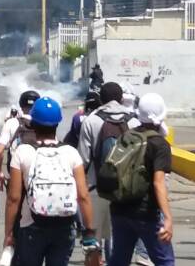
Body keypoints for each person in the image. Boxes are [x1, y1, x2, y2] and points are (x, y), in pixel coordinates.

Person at [5, 97, 98, 266]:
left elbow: (13, 198)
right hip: (64, 226)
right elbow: (83, 196)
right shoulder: (70, 152)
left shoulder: (22, 152)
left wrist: (9, 234)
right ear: (57, 123)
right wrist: (89, 233)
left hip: (31, 225)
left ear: (33, 123)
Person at [109, 93, 174, 266]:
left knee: (119, 259)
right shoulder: (159, 144)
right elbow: (158, 183)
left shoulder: (126, 136)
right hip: (145, 213)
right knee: (165, 260)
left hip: (119, 208)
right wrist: (167, 217)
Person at [77, 83, 134, 260]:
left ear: (101, 99)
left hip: (97, 186)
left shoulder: (91, 120)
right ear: (121, 98)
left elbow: (83, 159)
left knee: (95, 239)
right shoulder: (134, 120)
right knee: (118, 237)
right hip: (127, 188)